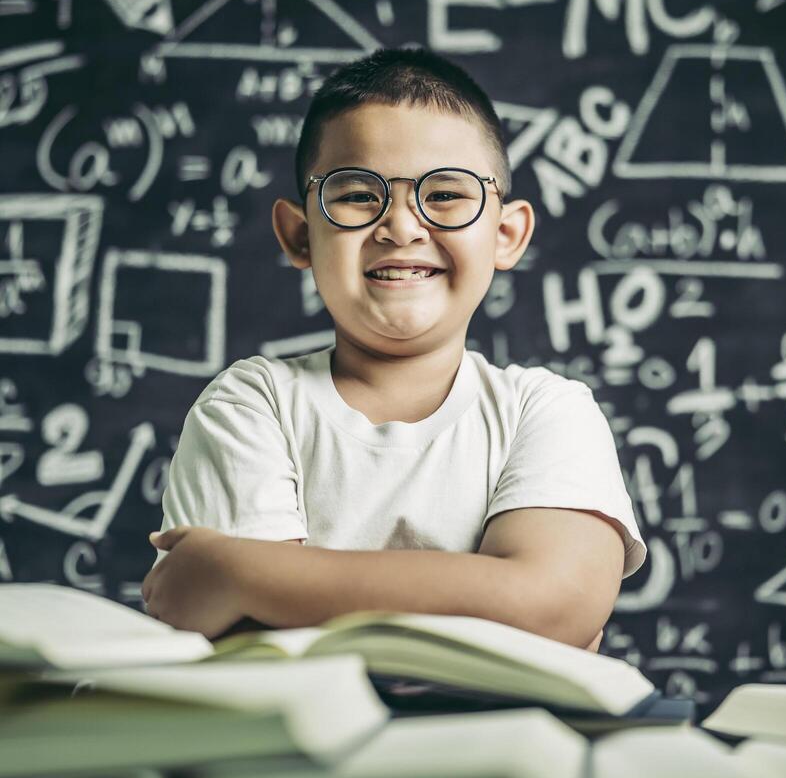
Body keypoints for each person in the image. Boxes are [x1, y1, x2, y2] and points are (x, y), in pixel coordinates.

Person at [141, 47, 646, 653]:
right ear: (299, 234)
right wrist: (496, 597)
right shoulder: (252, 405)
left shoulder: (545, 411)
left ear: (506, 234)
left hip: (508, 747)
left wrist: (238, 572)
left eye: (446, 196)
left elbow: (553, 604)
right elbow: (248, 645)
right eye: (357, 195)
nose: (402, 227)